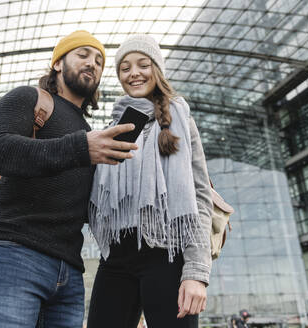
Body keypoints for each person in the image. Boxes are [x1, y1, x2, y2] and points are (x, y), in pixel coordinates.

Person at [0, 30, 138, 328]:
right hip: (11, 254)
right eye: (82, 55)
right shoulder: (29, 99)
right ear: (58, 63)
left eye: (99, 60)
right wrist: (81, 147)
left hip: (68, 274)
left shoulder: (91, 131)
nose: (92, 64)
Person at [87, 34, 213, 328]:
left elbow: (200, 198)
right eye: (125, 68)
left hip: (166, 255)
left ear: (156, 68)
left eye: (143, 64)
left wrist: (196, 272)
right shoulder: (112, 129)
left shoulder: (180, 117)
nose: (134, 73)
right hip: (116, 257)